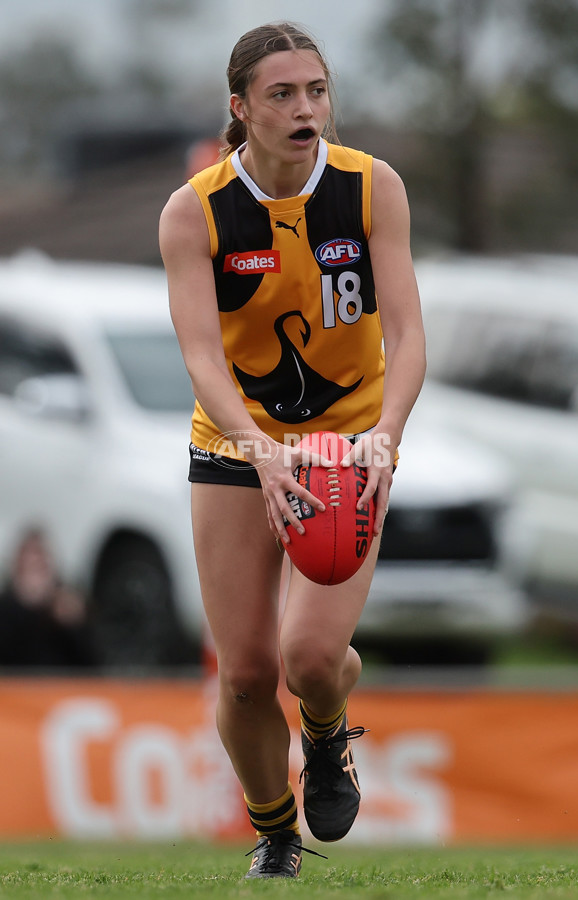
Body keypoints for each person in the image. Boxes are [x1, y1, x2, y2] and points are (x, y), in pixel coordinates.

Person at [159, 21, 426, 878]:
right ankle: (277, 836)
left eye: (316, 90)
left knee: (309, 659)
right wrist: (259, 453)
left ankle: (324, 733)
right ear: (242, 109)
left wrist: (384, 438)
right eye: (282, 94)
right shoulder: (194, 210)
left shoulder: (371, 186)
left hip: (349, 443)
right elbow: (202, 354)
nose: (305, 108)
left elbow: (410, 333)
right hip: (238, 448)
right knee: (242, 673)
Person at [0, 527, 97, 669]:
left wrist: (73, 624)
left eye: (40, 567)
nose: (35, 580)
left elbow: (92, 662)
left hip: (61, 686)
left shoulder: (68, 605)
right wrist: (25, 604)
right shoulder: (5, 609)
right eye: (28, 567)